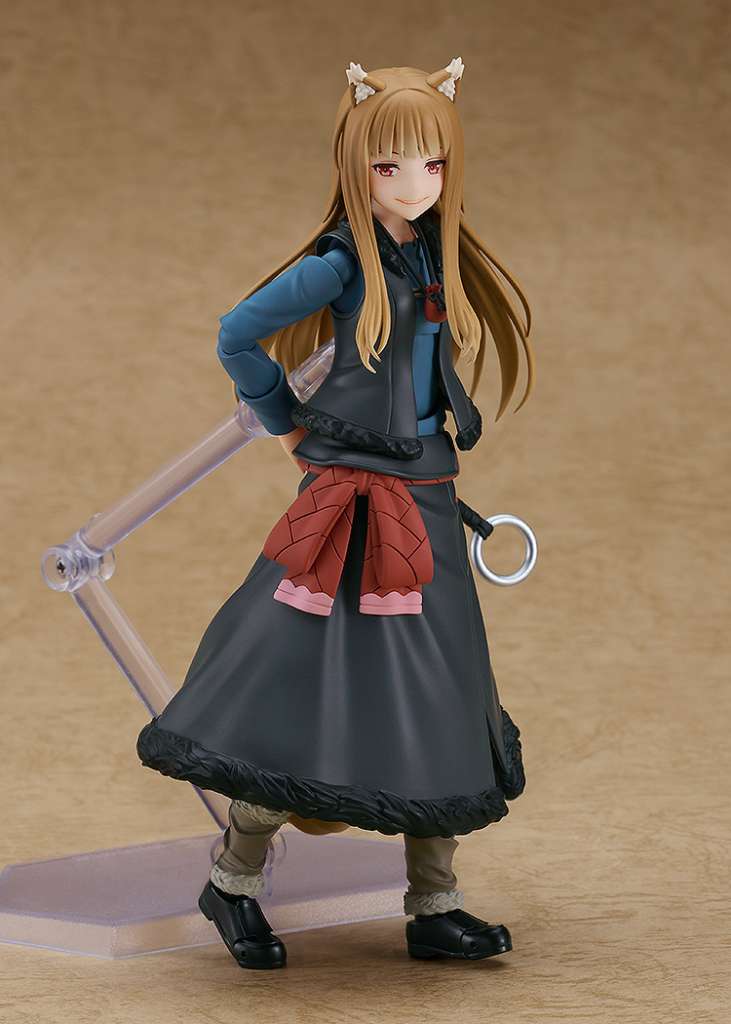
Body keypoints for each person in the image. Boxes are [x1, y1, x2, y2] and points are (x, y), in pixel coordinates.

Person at [137, 58, 534, 969]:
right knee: (299, 696)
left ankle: (434, 903)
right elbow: (237, 333)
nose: (413, 183)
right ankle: (232, 882)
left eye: (431, 163)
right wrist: (284, 423)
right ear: (357, 165)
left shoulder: (432, 252)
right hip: (348, 510)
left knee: (440, 693)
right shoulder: (340, 263)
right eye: (389, 165)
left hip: (425, 498)